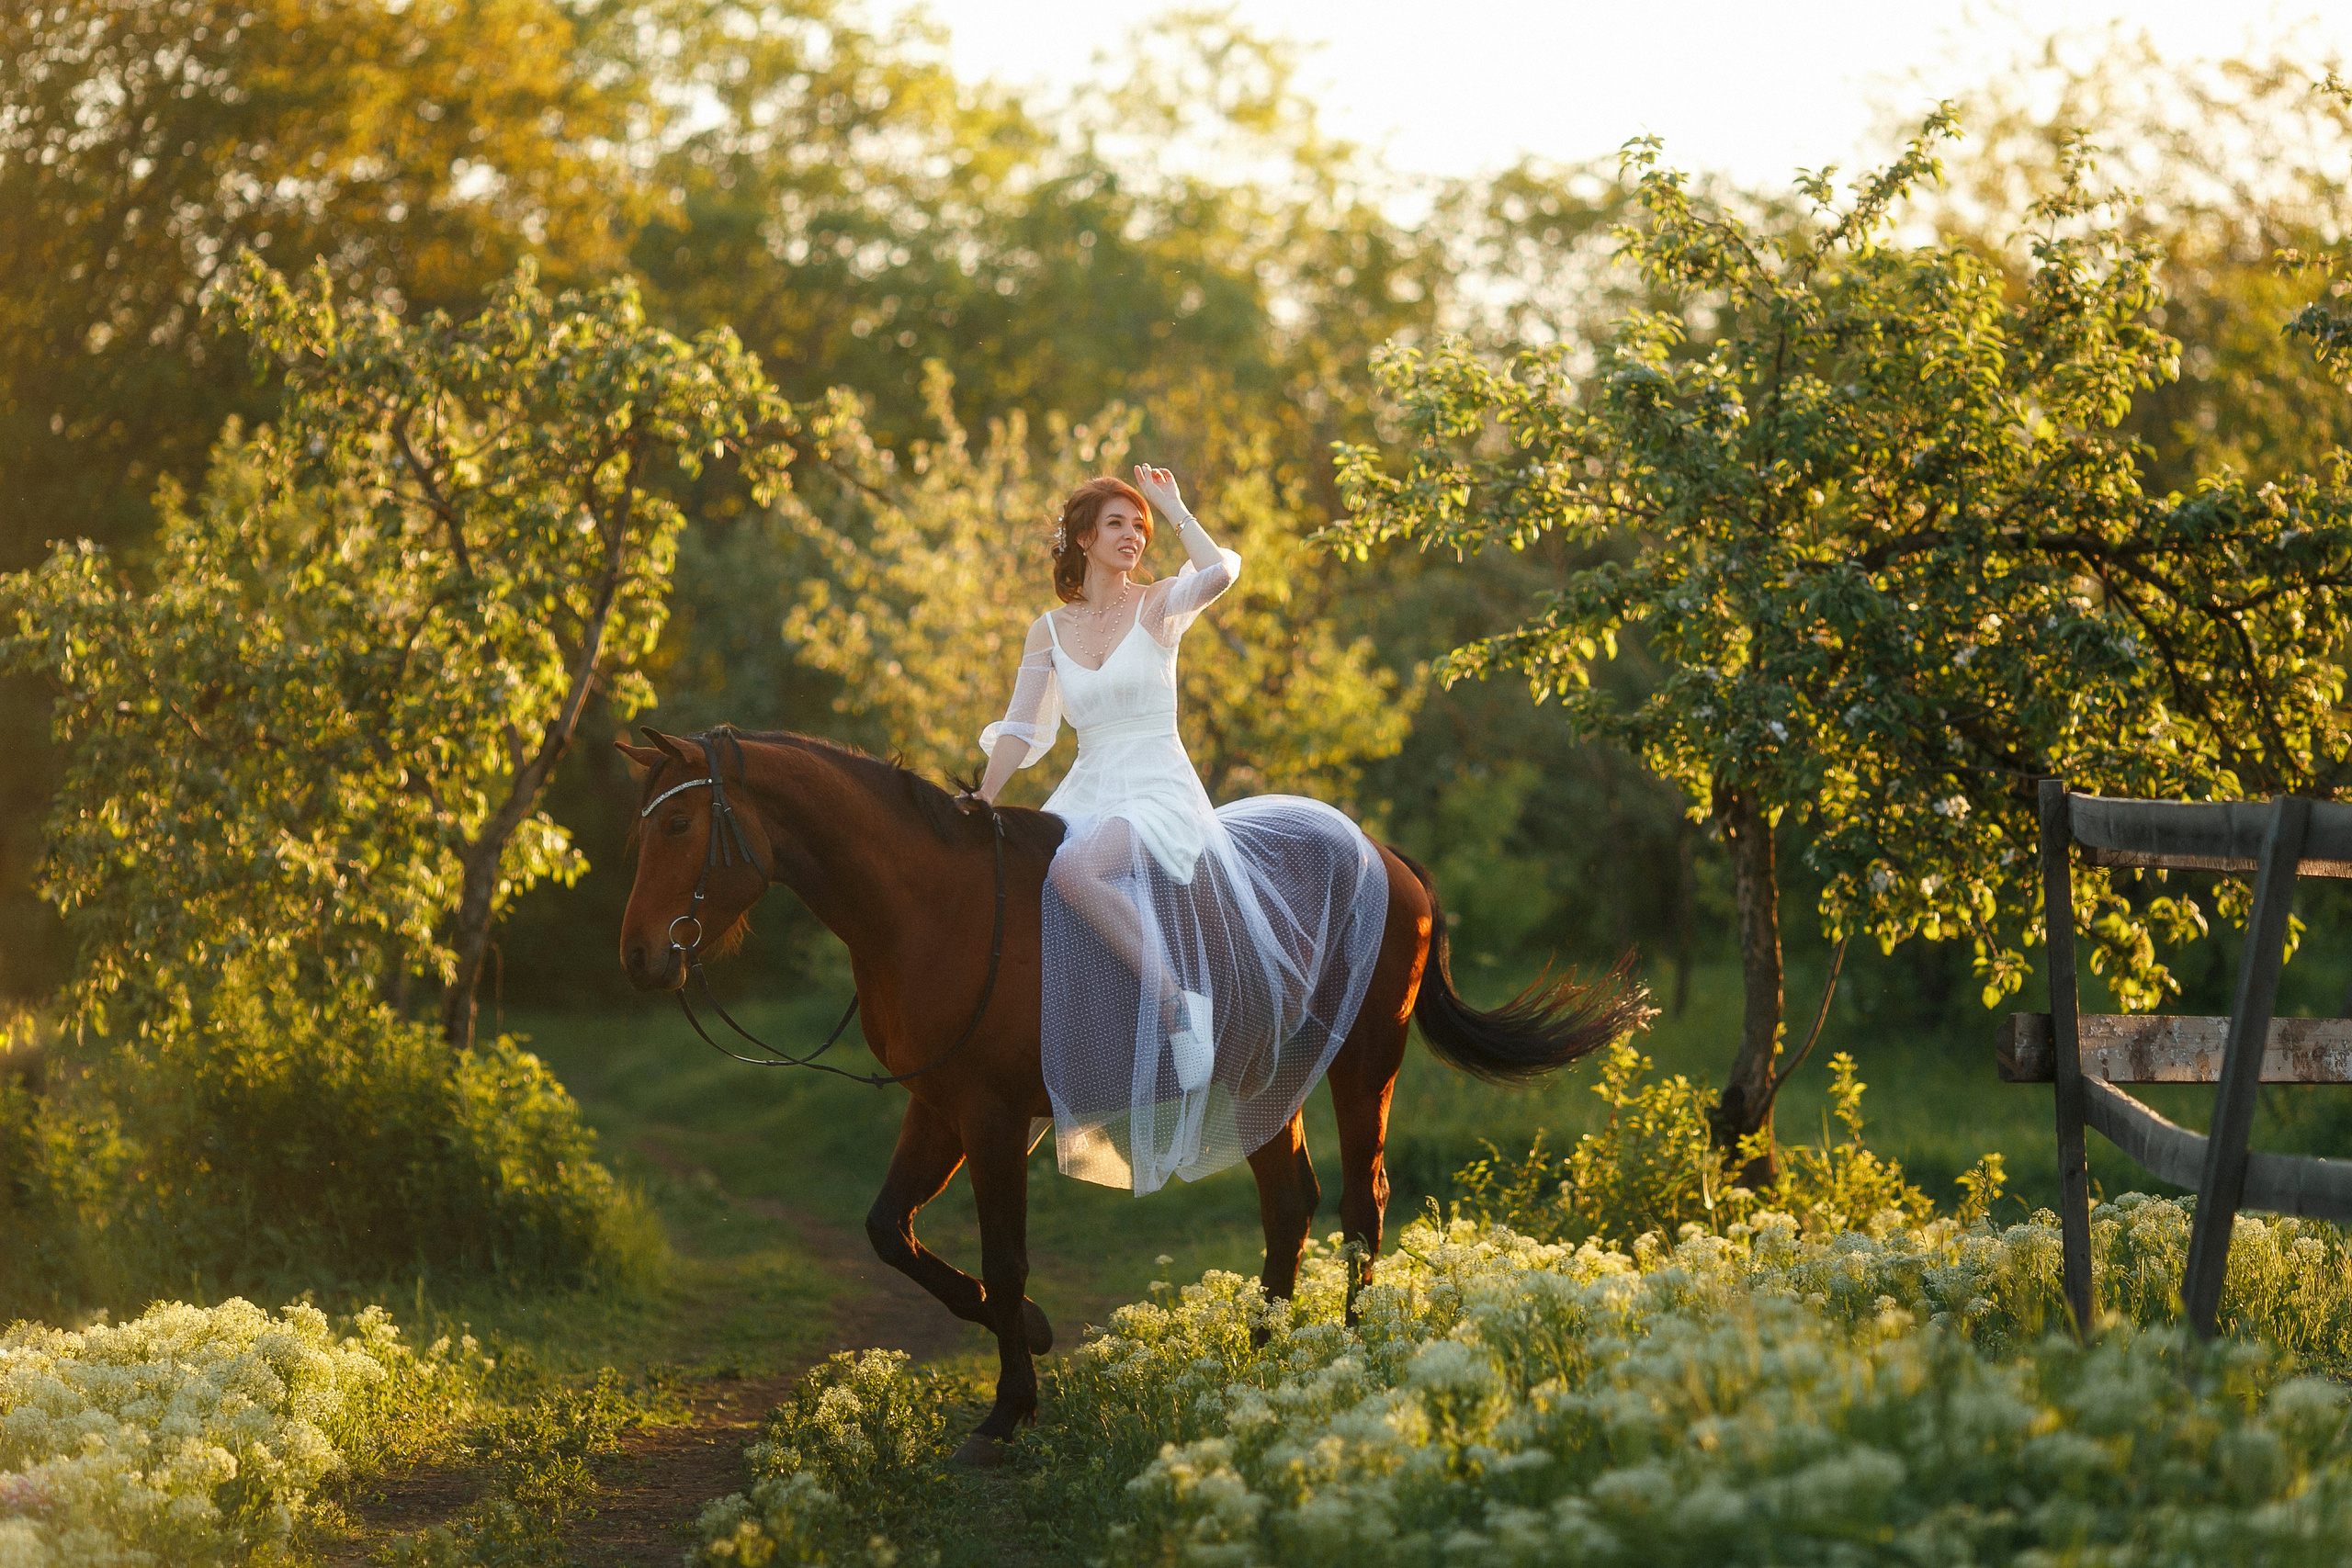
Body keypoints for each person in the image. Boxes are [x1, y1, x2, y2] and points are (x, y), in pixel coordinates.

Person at [965, 466, 1389, 1194]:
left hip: (1158, 788)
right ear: (1082, 538)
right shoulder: (1049, 629)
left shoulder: (1159, 603)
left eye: (1140, 526)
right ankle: (1051, 1074)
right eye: (1117, 524)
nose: (1133, 536)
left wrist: (1174, 505)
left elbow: (1221, 571)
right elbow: (1021, 729)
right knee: (1033, 887)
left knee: (1076, 871)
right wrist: (982, 795)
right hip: (1088, 787)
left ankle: (1175, 1004)